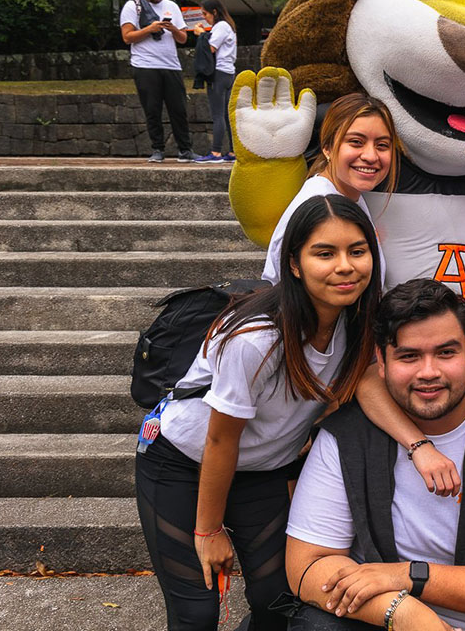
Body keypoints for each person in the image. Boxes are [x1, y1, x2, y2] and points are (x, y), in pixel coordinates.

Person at [135, 194, 382, 630]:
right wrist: (208, 531)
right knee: (196, 610)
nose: (345, 266)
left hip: (262, 471)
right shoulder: (257, 337)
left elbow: (361, 392)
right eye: (324, 253)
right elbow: (220, 439)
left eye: (357, 251)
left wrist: (418, 446)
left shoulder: (357, 322)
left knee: (277, 599)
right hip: (182, 463)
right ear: (293, 263)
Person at [284, 278, 465, 631]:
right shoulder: (347, 436)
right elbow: (306, 568)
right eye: (409, 356)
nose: (428, 372)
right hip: (380, 614)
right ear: (381, 362)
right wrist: (407, 614)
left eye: (446, 353)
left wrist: (410, 577)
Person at [262, 92, 399, 286]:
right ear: (327, 147)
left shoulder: (348, 196)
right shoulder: (320, 206)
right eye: (356, 142)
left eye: (382, 145)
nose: (371, 155)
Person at [120, 0, 195, 162]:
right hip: (145, 64)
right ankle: (157, 149)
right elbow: (127, 37)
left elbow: (184, 38)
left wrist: (173, 29)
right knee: (152, 109)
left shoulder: (172, 6)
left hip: (171, 65)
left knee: (178, 109)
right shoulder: (132, 6)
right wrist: (150, 29)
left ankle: (185, 150)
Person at [194, 0, 238, 163]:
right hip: (228, 73)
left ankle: (216, 152)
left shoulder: (221, 26)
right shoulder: (229, 26)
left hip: (219, 74)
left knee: (218, 114)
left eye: (205, 13)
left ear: (214, 12)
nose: (204, 17)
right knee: (227, 115)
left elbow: (210, 48)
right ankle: (233, 152)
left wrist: (201, 34)